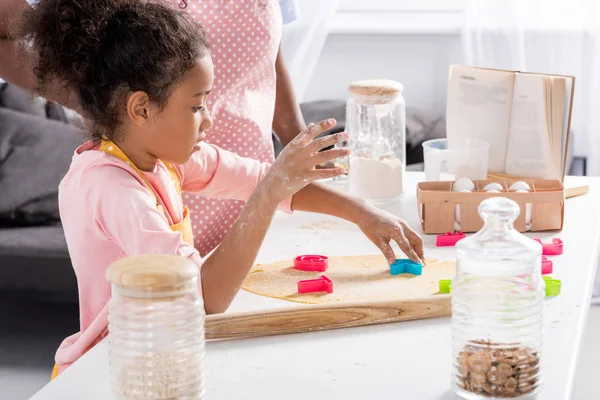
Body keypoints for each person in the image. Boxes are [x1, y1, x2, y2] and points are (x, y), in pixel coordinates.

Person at [16, 0, 425, 376]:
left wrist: (363, 214)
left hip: (165, 351)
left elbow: (262, 180)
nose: (209, 121)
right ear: (140, 108)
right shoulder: (111, 188)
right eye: (196, 106)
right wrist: (267, 195)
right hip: (112, 371)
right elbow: (203, 296)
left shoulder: (164, 161)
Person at [0, 0, 309, 256]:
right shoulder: (114, 193)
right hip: (150, 191)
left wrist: (305, 144)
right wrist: (100, 101)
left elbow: (267, 56)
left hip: (250, 182)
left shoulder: (236, 173)